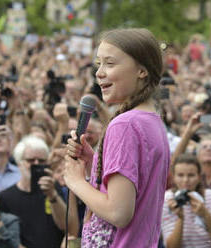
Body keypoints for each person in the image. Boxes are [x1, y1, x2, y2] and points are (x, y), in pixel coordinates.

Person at [64, 28, 170, 247]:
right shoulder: (152, 120)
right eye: (98, 64)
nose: (99, 73)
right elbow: (133, 188)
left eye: (110, 64)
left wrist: (75, 181)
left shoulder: (125, 124)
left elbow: (118, 212)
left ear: (141, 70)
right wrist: (95, 162)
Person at [0, 135, 79, 248]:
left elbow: (68, 228)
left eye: (41, 161)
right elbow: (6, 236)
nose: (36, 164)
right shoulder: (6, 197)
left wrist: (52, 195)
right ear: (19, 162)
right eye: (31, 160)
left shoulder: (54, 188)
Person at [161, 153, 211, 247]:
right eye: (180, 175)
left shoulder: (210, 196)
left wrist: (205, 214)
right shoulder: (168, 198)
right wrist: (180, 218)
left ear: (199, 177)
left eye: (191, 175)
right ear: (174, 177)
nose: (185, 180)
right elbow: (171, 246)